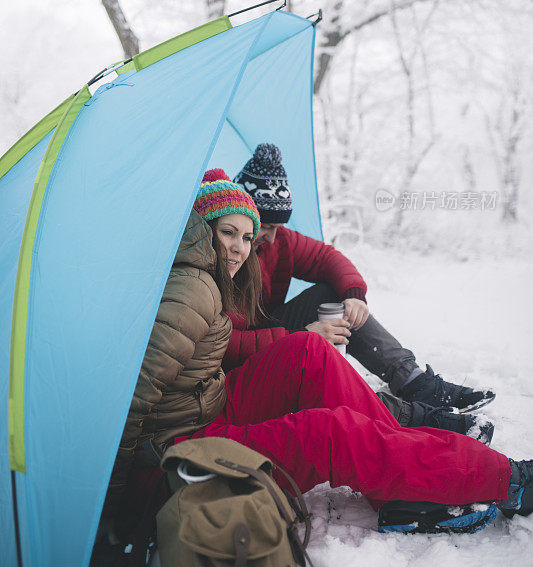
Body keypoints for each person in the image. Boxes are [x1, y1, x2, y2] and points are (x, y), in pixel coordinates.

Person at [104, 168, 532, 538]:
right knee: (327, 432)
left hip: (205, 406)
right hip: (173, 455)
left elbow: (328, 259)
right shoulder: (192, 289)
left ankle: (410, 472)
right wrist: (120, 504)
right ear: (203, 227)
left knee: (308, 350)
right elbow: (132, 399)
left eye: (248, 236)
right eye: (227, 233)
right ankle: (508, 481)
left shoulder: (212, 275)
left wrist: (351, 295)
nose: (241, 247)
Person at [226, 143, 495, 437]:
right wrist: (298, 337)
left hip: (267, 332)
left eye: (278, 226)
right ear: (241, 216)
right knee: (317, 368)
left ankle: (414, 381)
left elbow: (327, 258)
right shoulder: (223, 255)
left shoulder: (277, 243)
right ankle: (404, 418)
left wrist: (353, 294)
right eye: (266, 225)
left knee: (334, 296)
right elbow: (219, 343)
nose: (272, 236)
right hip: (239, 368)